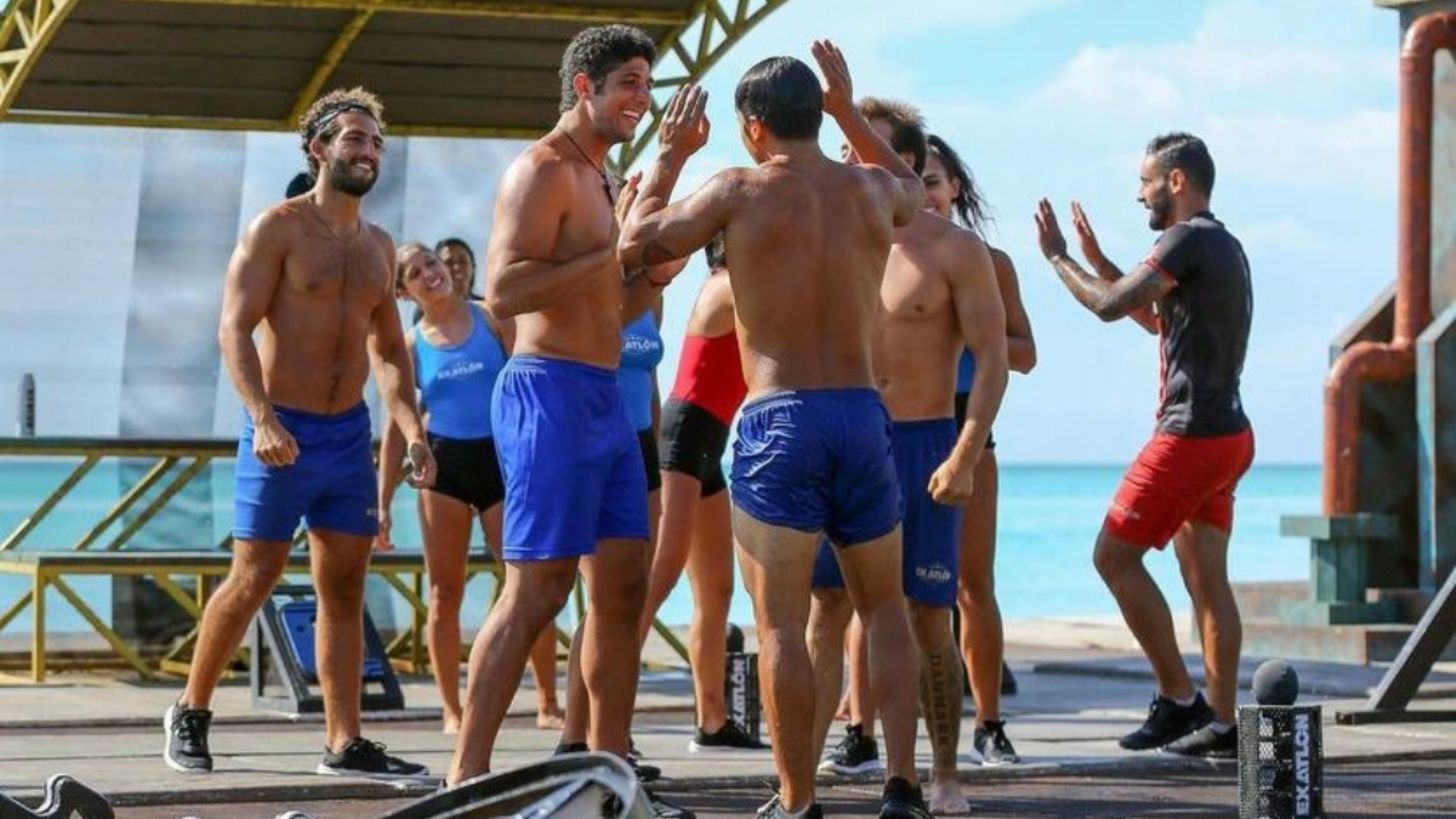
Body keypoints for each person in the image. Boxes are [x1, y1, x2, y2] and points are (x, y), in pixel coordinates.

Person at [618, 41, 931, 819]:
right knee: (885, 610)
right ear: (816, 117)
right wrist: (850, 112)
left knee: (781, 622)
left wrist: (669, 154)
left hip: (781, 416)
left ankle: (797, 799)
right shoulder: (872, 190)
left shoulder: (736, 189)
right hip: (862, 413)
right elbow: (912, 186)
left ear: (753, 127)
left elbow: (632, 244)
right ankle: (901, 785)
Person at [445, 25, 692, 795]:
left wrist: (651, 277)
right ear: (584, 87)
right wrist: (613, 253)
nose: (640, 99)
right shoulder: (542, 169)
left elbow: (610, 306)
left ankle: (610, 771)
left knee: (623, 589)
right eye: (627, 83)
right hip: (545, 391)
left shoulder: (602, 178)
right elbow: (505, 291)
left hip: (606, 397)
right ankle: (465, 775)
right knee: (539, 589)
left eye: (647, 84)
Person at [164, 88, 437, 780]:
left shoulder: (380, 247)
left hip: (347, 438)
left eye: (376, 142)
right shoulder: (276, 230)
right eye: (355, 139)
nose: (368, 152)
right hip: (280, 431)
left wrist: (411, 428)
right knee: (253, 575)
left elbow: (390, 352)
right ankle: (190, 710)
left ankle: (344, 742)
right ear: (319, 148)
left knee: (344, 587)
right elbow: (233, 328)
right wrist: (261, 417)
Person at [806, 99, 1006, 816]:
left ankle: (939, 773)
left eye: (864, 144)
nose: (849, 157)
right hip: (849, 438)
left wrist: (966, 453)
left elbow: (994, 359)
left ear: (908, 163)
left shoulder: (955, 250)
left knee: (928, 613)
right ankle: (800, 780)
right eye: (843, 144)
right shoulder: (833, 238)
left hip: (925, 443)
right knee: (827, 607)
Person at [1034, 132, 1253, 758]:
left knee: (1113, 557)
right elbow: (1158, 320)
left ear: (1176, 181)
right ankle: (1223, 723)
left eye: (1146, 181)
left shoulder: (1185, 240)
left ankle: (1179, 699)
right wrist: (1103, 261)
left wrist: (1057, 258)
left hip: (1190, 435)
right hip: (1230, 435)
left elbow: (1108, 306)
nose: (1139, 193)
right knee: (1207, 580)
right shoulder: (1223, 245)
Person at [376, 243, 566, 734]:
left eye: (431, 262)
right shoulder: (411, 345)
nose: (430, 273)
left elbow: (532, 380)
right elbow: (397, 425)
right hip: (445, 469)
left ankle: (547, 701)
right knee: (445, 593)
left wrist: (545, 453)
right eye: (415, 273)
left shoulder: (490, 317)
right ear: (403, 292)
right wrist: (383, 502)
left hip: (504, 464)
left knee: (527, 584)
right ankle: (451, 709)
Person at [923, 133, 1038, 766]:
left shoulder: (989, 263)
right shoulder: (878, 254)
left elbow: (1025, 353)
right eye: (915, 181)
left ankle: (990, 725)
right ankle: (861, 731)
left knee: (973, 586)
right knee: (871, 594)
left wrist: (972, 332)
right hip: (894, 428)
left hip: (968, 430)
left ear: (955, 188)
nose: (926, 195)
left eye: (934, 182)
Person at [639, 234, 764, 752]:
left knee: (715, 593)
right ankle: (608, 725)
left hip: (709, 448)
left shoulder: (742, 286)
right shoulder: (726, 287)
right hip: (681, 443)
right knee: (653, 585)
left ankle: (712, 723)